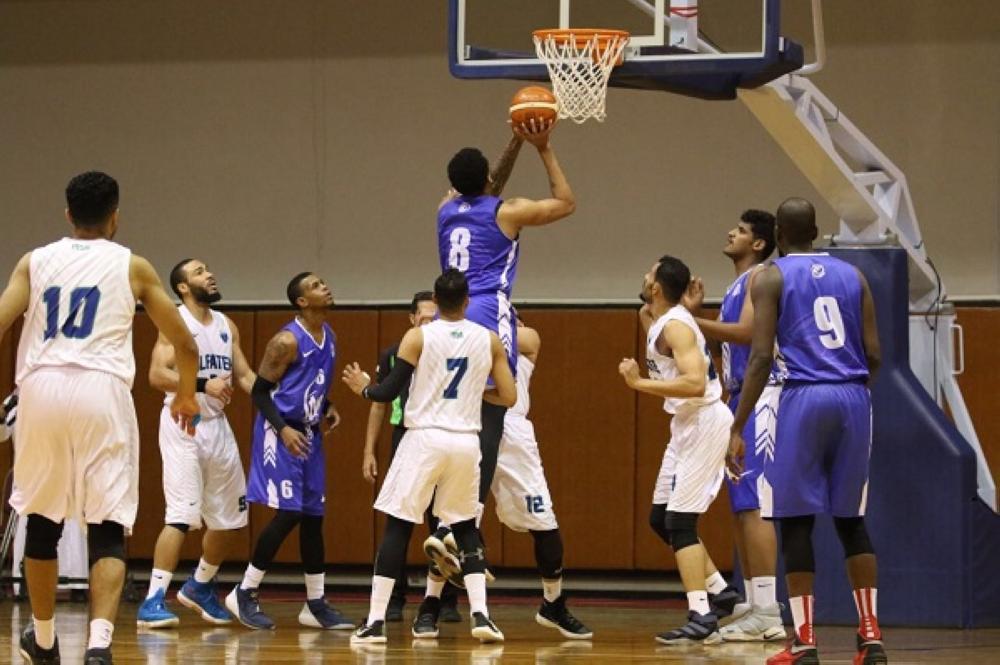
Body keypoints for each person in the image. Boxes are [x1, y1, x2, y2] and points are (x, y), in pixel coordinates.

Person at [0, 171, 200, 664]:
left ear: (68, 214)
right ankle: (98, 646)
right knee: (107, 524)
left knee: (42, 520)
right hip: (102, 390)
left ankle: (44, 640)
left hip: (41, 389)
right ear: (116, 217)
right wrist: (186, 396)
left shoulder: (33, 261)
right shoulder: (133, 266)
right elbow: (185, 343)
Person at [729, 198, 885, 665]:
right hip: (854, 396)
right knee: (851, 521)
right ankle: (871, 634)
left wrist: (737, 425)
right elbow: (874, 354)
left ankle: (804, 640)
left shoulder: (770, 277)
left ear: (778, 234)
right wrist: (850, 392)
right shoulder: (853, 276)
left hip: (802, 395)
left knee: (795, 521)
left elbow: (760, 357)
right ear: (816, 231)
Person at [430, 118, 575, 582]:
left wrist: (514, 139)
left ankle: (445, 521)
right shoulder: (507, 213)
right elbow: (566, 202)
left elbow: (485, 186)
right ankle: (461, 525)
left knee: (458, 419)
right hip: (487, 311)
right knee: (493, 415)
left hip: (448, 315)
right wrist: (542, 147)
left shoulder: (445, 209)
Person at [342, 269, 517, 645]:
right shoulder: (488, 339)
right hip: (466, 441)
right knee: (465, 527)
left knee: (398, 528)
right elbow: (509, 396)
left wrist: (363, 389)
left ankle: (375, 622)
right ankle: (482, 616)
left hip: (423, 439)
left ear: (435, 302)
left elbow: (387, 392)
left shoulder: (418, 336)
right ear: (467, 301)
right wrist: (476, 395)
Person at [413, 313, 592, 640]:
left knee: (545, 524)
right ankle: (430, 604)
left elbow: (521, 338)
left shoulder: (523, 337)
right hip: (472, 427)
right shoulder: (470, 336)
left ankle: (553, 603)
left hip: (514, 434)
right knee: (450, 532)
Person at [619, 255, 737, 645]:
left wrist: (638, 383)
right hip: (685, 423)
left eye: (649, 274)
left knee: (681, 523)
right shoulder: (660, 318)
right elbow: (650, 315)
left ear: (656, 287)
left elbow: (694, 383)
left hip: (704, 419)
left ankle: (701, 614)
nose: (644, 275)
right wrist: (678, 302)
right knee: (660, 519)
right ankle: (721, 591)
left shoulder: (676, 326)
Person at [225, 272, 351, 631]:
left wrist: (326, 405)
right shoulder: (285, 341)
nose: (325, 287)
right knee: (289, 513)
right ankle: (244, 591)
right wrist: (283, 429)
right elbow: (260, 392)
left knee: (313, 517)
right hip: (279, 430)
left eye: (323, 282)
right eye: (315, 286)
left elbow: (308, 384)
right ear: (302, 301)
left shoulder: (329, 336)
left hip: (308, 432)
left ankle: (315, 603)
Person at [137, 259, 256, 628]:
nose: (210, 274)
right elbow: (157, 374)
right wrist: (203, 384)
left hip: (218, 426)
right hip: (183, 424)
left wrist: (281, 402)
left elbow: (245, 375)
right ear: (183, 287)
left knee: (231, 519)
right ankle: (153, 599)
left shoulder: (226, 325)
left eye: (209, 269)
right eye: (200, 271)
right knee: (181, 516)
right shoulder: (175, 321)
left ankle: (200, 585)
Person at [685, 210, 786, 642]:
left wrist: (686, 320)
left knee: (755, 504)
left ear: (758, 243)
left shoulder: (759, 276)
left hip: (762, 397)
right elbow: (729, 337)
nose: (731, 232)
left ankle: (769, 611)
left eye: (741, 230)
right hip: (740, 397)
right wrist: (696, 316)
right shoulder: (737, 284)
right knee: (743, 504)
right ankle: (754, 605)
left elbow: (746, 332)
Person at [360, 291, 462, 622]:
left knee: (443, 522)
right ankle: (393, 600)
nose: (430, 323)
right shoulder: (396, 353)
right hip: (407, 437)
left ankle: (445, 601)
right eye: (425, 317)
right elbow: (380, 402)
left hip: (444, 437)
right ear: (412, 319)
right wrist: (369, 450)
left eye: (436, 317)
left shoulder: (454, 349)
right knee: (400, 521)